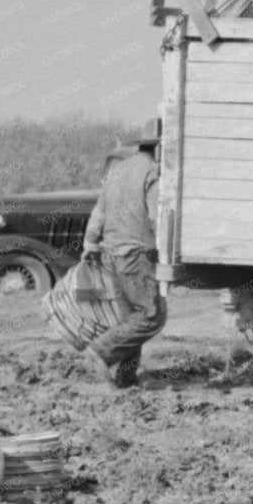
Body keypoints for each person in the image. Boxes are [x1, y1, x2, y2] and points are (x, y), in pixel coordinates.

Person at [81, 118, 167, 389]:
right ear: (161, 148)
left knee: (130, 321)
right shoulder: (152, 172)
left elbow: (99, 212)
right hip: (135, 255)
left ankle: (126, 380)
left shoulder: (118, 170)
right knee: (151, 316)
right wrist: (165, 251)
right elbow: (156, 217)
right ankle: (99, 352)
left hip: (110, 255)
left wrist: (90, 244)